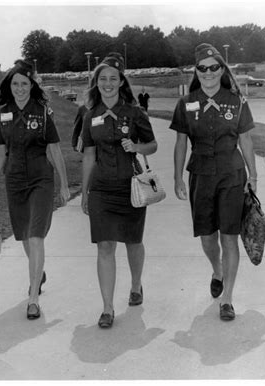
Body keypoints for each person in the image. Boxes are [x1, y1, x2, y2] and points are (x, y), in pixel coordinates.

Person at [170, 43, 257, 321]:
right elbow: (180, 142)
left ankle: (228, 299)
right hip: (201, 175)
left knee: (229, 236)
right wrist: (177, 176)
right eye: (202, 68)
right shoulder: (185, 103)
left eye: (213, 67)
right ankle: (217, 270)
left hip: (232, 175)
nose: (208, 73)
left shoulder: (237, 101)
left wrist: (253, 175)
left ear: (222, 69)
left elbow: (245, 139)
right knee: (208, 237)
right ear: (196, 71)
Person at [0, 59, 70, 320]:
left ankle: (33, 297)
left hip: (40, 181)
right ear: (9, 86)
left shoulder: (43, 112)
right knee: (23, 235)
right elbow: (0, 152)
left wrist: (64, 184)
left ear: (32, 85)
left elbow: (54, 149)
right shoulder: (3, 114)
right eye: (15, 83)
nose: (20, 88)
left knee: (35, 236)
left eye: (24, 83)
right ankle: (39, 272)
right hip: (15, 181)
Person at [81, 52, 158, 328]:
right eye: (103, 79)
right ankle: (107, 307)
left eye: (113, 78)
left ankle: (136, 285)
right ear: (96, 82)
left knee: (133, 242)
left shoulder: (135, 113)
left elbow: (152, 145)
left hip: (131, 188)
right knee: (104, 245)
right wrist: (85, 191)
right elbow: (89, 156)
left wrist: (136, 147)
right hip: (101, 190)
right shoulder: (90, 116)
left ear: (121, 81)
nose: (108, 83)